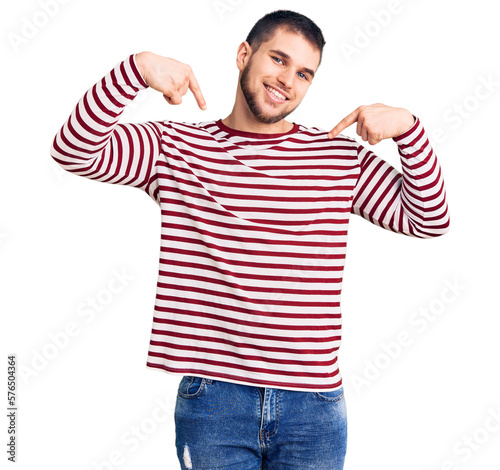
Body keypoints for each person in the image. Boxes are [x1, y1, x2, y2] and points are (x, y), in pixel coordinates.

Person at [50, 9, 450, 470]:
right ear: (244, 54)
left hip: (313, 408)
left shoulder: (336, 158)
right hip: (215, 401)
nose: (287, 80)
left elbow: (427, 219)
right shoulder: (174, 149)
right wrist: (135, 69)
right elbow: (73, 151)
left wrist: (411, 132)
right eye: (278, 60)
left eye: (303, 73)